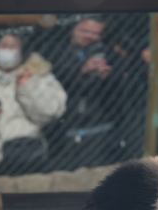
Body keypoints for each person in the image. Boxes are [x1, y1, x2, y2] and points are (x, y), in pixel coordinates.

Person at [40, 16, 126, 171]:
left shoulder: (109, 54)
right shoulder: (53, 51)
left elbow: (124, 90)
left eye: (95, 33)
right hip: (61, 133)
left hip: (100, 132)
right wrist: (80, 70)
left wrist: (108, 78)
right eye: (84, 30)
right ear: (73, 29)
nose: (88, 36)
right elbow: (46, 82)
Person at [0, 34, 67, 175]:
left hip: (27, 155)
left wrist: (28, 86)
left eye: (13, 46)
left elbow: (50, 113)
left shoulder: (40, 75)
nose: (7, 50)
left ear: (22, 51)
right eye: (3, 45)